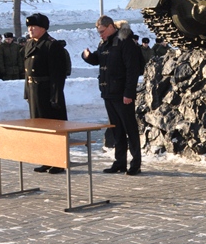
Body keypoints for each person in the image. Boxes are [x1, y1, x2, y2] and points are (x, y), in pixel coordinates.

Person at [82, 16, 145, 176]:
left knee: (130, 128)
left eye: (102, 31)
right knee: (116, 129)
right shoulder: (105, 42)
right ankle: (120, 162)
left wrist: (129, 93)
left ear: (111, 27)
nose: (100, 35)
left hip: (122, 93)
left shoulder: (126, 42)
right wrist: (87, 57)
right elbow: (99, 59)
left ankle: (135, 163)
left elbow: (133, 70)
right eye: (99, 33)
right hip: (108, 92)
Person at [23, 13, 70, 173]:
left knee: (53, 127)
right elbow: (27, 71)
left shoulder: (52, 45)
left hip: (47, 92)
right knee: (40, 128)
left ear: (43, 28)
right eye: (29, 26)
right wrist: (27, 92)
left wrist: (56, 95)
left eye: (33, 26)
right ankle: (46, 159)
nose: (30, 29)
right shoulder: (30, 44)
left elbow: (58, 74)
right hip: (34, 91)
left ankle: (58, 162)